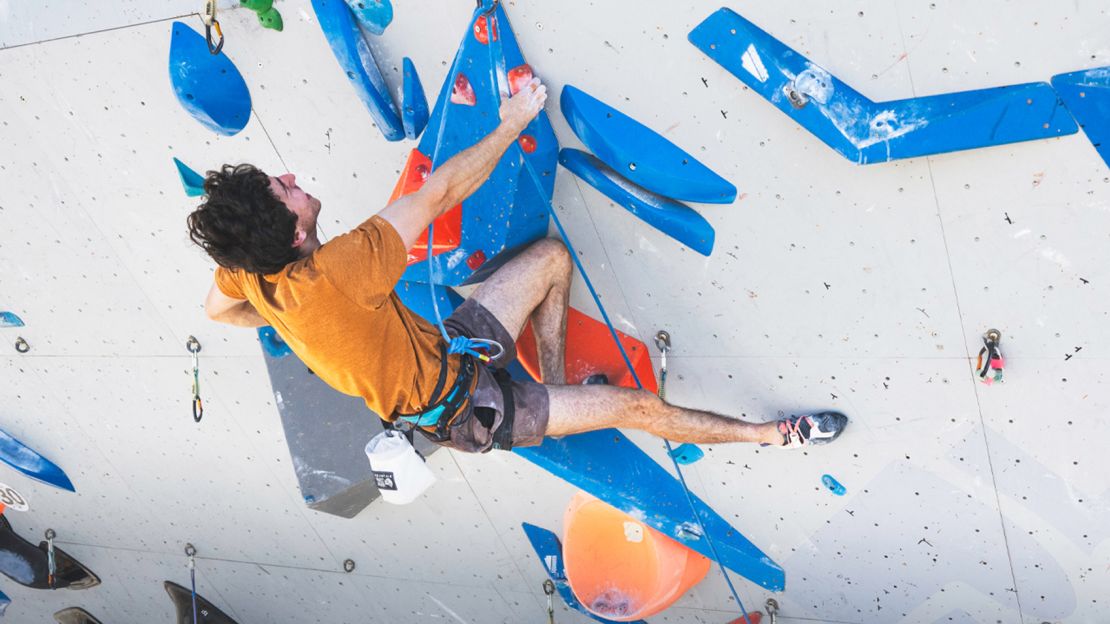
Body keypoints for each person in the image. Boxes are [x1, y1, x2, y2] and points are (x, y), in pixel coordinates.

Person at [186, 77, 847, 453]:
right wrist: (512, 121)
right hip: (469, 409)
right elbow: (438, 192)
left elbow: (217, 312)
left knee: (553, 258)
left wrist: (297, 322)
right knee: (639, 406)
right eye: (286, 189)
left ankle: (556, 386)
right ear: (299, 232)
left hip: (451, 353)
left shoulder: (250, 270)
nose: (292, 177)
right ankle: (771, 436)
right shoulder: (338, 269)